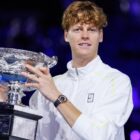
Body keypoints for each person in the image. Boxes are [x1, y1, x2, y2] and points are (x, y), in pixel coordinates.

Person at [0, 1, 133, 140]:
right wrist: (5, 101)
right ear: (66, 35)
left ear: (100, 36)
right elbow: (27, 134)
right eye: (77, 29)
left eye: (92, 29)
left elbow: (101, 135)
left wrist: (57, 97)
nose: (85, 35)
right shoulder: (47, 87)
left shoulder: (116, 81)